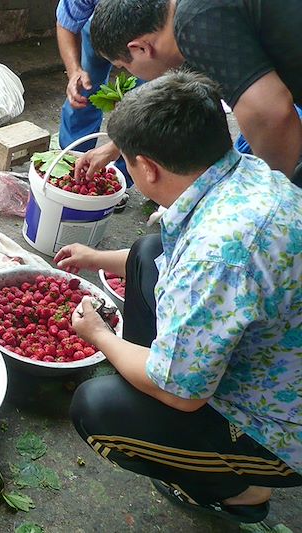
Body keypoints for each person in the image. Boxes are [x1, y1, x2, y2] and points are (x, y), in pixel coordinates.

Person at [55, 71, 302, 524]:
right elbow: (177, 255)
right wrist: (95, 257)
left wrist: (100, 335)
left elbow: (183, 394)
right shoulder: (244, 174)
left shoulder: (219, 255)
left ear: (147, 167)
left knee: (98, 409)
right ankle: (163, 383)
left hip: (281, 431)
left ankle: (242, 490)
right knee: (147, 252)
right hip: (279, 366)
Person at [78, 0, 302, 186]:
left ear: (140, 48)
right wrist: (116, 146)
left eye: (123, 66)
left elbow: (270, 115)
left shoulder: (193, 23)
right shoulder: (187, 18)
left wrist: (264, 192)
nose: (127, 72)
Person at [55, 0, 135, 211]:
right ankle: (71, 163)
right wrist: (74, 72)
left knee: (143, 98)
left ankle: (123, 176)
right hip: (97, 24)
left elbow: (159, 106)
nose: (120, 66)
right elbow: (66, 22)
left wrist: (117, 146)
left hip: (153, 30)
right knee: (84, 89)